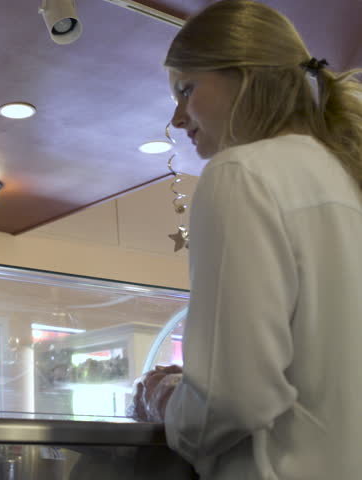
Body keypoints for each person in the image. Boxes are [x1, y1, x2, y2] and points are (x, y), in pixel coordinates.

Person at [131, 1, 362, 478]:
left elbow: (234, 396)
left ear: (245, 75)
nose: (177, 117)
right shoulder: (344, 181)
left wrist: (165, 400)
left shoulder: (240, 174)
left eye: (186, 89)